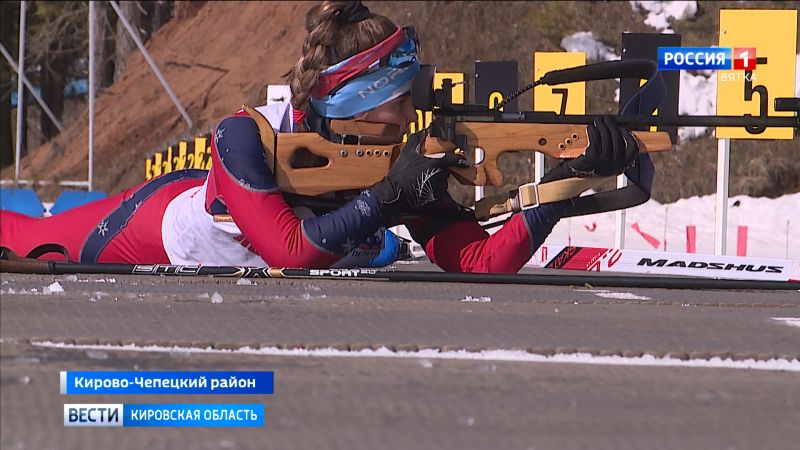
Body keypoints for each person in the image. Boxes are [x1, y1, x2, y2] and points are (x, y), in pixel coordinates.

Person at [0, 0, 640, 273]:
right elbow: (290, 252)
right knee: (29, 240)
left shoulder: (392, 160)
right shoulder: (242, 138)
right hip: (149, 224)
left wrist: (558, 193)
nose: (411, 118)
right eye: (399, 104)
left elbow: (475, 261)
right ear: (355, 107)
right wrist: (388, 199)